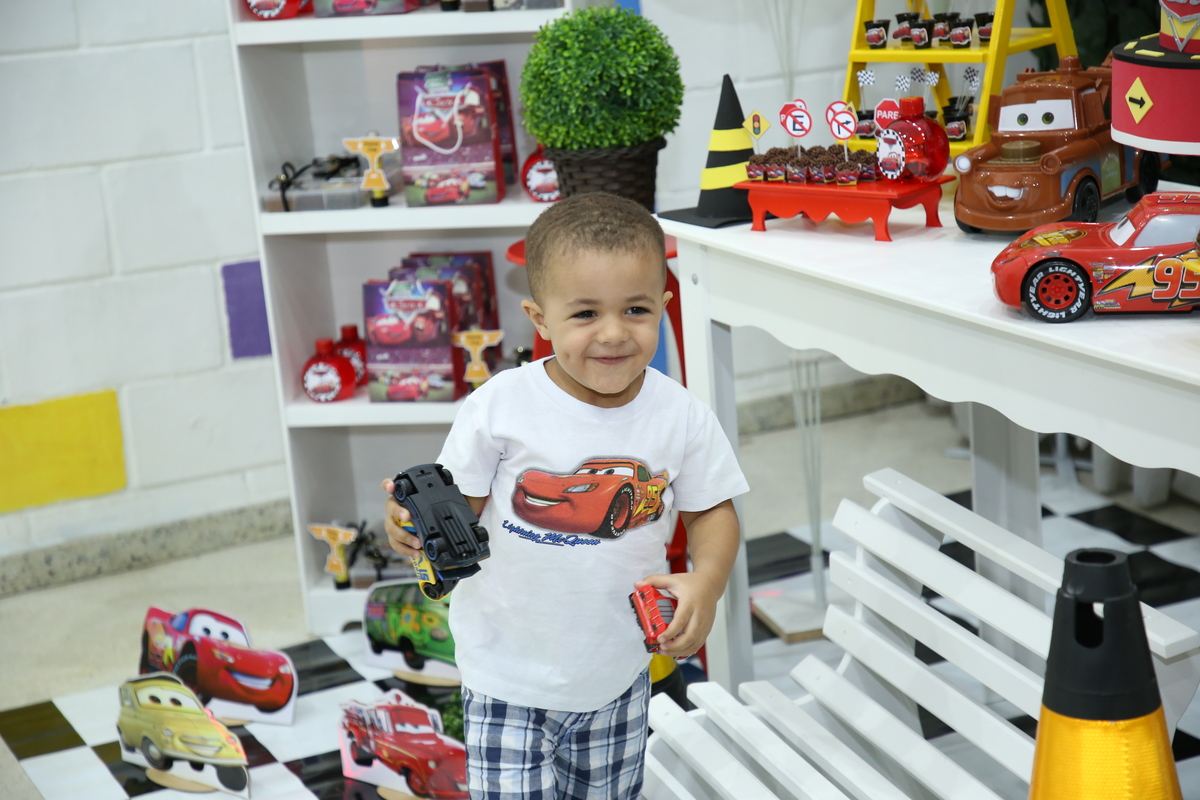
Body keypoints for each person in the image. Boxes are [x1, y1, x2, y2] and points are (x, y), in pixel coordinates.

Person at [382, 192, 748, 799]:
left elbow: (714, 510)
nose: (613, 333)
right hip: (505, 675)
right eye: (584, 314)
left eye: (635, 309)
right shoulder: (500, 406)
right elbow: (453, 510)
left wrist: (706, 584)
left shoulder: (680, 415)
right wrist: (412, 525)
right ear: (541, 318)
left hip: (616, 675)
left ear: (664, 305)